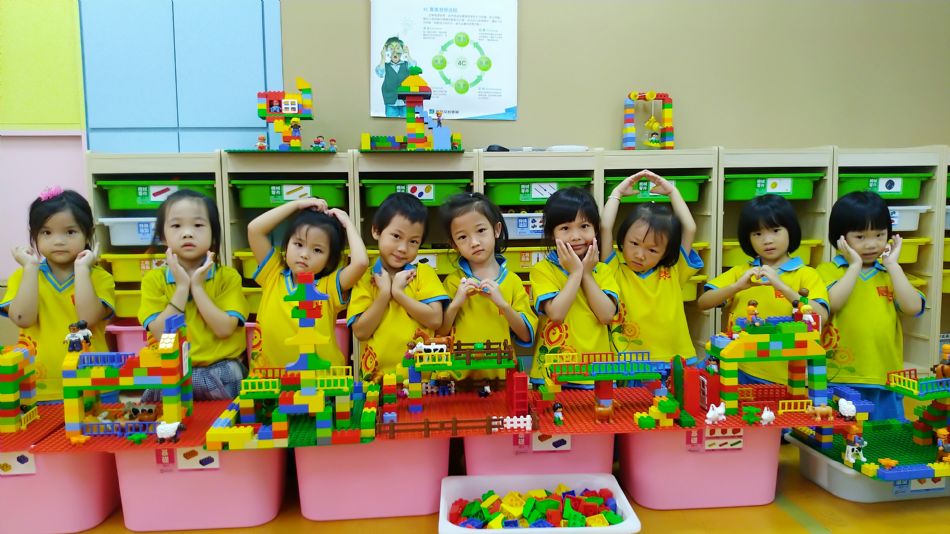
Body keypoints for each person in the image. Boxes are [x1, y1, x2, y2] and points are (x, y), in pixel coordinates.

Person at [698, 194, 828, 384]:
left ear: (791, 230)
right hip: (738, 368)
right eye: (757, 234)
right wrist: (736, 287)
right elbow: (703, 302)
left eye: (775, 230)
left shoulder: (806, 274)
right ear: (748, 238)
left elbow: (821, 316)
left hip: (784, 377)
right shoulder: (742, 272)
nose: (767, 240)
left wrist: (781, 286)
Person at [818, 191, 924, 420]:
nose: (872, 244)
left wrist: (893, 265)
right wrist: (854, 266)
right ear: (840, 238)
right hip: (839, 377)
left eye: (879, 235)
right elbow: (832, 304)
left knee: (886, 435)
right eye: (860, 236)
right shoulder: (827, 271)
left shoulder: (890, 273)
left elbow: (913, 307)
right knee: (841, 435)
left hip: (885, 376)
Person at [1, 187, 114, 401]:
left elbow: (87, 319)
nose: (58, 241)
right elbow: (23, 319)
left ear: (88, 234)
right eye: (47, 233)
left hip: (95, 384)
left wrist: (82, 269)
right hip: (39, 388)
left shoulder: (100, 278)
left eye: (70, 232)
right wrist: (30, 268)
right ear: (34, 235)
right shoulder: (24, 276)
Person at [138, 190, 248, 400]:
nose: (187, 233)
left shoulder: (227, 277)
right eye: (176, 226)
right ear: (163, 236)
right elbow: (161, 334)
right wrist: (182, 288)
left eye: (198, 225)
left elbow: (224, 329)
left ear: (213, 234)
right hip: (171, 369)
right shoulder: (153, 280)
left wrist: (197, 288)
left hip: (220, 369)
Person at [247, 198, 368, 369]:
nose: (304, 254)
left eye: (317, 250)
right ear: (286, 245)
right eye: (298, 244)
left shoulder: (328, 286)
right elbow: (254, 230)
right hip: (271, 379)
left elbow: (361, 263)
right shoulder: (273, 273)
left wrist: (348, 224)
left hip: (321, 380)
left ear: (329, 260)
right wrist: (297, 204)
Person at [600, 170, 702, 362]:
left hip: (675, 360)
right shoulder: (614, 269)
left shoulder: (674, 270)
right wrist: (617, 193)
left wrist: (672, 192)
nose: (640, 255)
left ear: (666, 252)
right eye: (634, 243)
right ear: (623, 237)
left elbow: (690, 228)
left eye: (653, 250)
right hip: (629, 364)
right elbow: (605, 227)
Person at [347, 193, 449, 382]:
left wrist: (398, 294)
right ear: (376, 231)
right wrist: (384, 294)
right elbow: (360, 332)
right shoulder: (365, 279)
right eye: (396, 236)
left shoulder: (423, 273)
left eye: (413, 241)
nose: (403, 248)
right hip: (376, 381)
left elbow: (435, 320)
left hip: (421, 378)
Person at [438, 193, 537, 381]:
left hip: (502, 378)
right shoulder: (453, 282)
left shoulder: (513, 281)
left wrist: (503, 305)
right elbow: (440, 332)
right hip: (458, 380)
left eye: (481, 230)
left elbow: (525, 336)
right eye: (462, 237)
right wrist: (456, 303)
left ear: (496, 230)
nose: (474, 242)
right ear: (454, 245)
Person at [529, 187, 619, 387]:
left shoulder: (603, 270)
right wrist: (576, 272)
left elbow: (606, 315)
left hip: (598, 373)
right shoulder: (542, 270)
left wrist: (586, 274)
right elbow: (556, 314)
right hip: (552, 374)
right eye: (565, 228)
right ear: (551, 233)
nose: (576, 236)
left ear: (596, 229)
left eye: (584, 226)